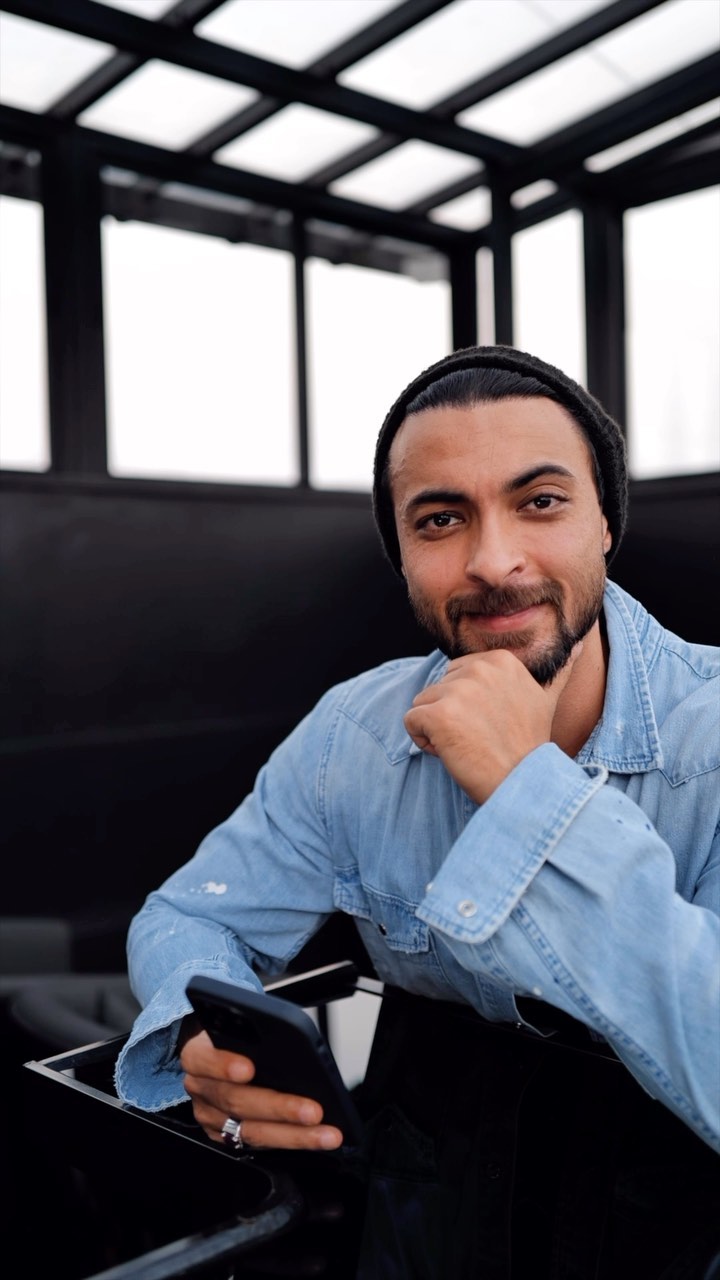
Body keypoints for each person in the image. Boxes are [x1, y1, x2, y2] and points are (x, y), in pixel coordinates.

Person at [115, 345, 719, 1177]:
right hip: (434, 1192)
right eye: (440, 520)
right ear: (400, 552)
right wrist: (206, 1034)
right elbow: (188, 916)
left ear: (605, 523)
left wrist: (527, 788)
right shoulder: (352, 736)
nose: (493, 561)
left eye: (541, 502)